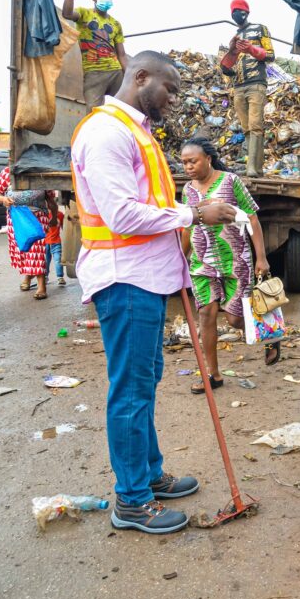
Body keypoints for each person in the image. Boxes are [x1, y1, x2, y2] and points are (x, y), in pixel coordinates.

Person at [71, 50, 238, 534]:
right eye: (170, 88)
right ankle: (132, 501)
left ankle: (148, 475)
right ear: (140, 77)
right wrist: (193, 215)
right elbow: (122, 215)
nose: (174, 99)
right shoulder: (105, 133)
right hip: (125, 278)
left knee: (144, 382)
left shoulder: (133, 130)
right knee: (131, 390)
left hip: (146, 276)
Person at [181, 136, 275, 391]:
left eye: (193, 161)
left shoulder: (230, 182)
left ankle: (268, 333)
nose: (188, 167)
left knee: (234, 320)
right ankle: (213, 374)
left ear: (208, 159)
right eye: (184, 163)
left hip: (235, 260)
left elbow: (252, 220)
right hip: (201, 263)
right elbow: (188, 227)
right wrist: (180, 258)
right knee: (206, 314)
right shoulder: (188, 190)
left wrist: (261, 257)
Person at [219, 0, 275, 177]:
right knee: (247, 128)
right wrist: (231, 53)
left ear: (246, 12)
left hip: (256, 83)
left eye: (238, 10)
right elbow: (226, 69)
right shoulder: (235, 37)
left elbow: (271, 55)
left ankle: (253, 167)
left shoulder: (260, 28)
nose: (236, 14)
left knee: (255, 125)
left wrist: (252, 49)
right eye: (233, 11)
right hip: (239, 86)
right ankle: (255, 168)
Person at [62, 0, 128, 106]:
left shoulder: (116, 24)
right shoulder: (84, 14)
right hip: (93, 73)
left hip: (115, 72)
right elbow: (67, 13)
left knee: (119, 110)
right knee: (94, 113)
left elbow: (121, 55)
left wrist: (128, 75)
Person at [0, 168, 56, 300]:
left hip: (37, 217)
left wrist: (53, 218)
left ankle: (41, 286)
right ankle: (27, 276)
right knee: (24, 250)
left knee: (36, 251)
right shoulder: (6, 173)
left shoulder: (40, 172)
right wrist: (4, 199)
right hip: (17, 218)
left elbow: (50, 199)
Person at [44, 205, 66, 288]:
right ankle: (45, 277)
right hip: (44, 242)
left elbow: (64, 227)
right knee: (46, 261)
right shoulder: (43, 214)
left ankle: (60, 277)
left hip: (56, 241)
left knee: (58, 260)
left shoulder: (60, 214)